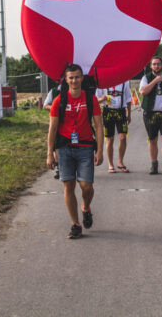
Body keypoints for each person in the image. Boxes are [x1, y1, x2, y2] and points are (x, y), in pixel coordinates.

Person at [47, 64, 104, 239]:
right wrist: (50, 153)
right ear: (66, 79)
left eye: (77, 77)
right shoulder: (59, 100)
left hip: (85, 147)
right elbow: (53, 127)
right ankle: (75, 224)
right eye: (71, 77)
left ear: (82, 78)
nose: (74, 81)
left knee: (87, 186)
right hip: (64, 149)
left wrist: (100, 151)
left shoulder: (90, 99)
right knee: (68, 187)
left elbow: (99, 126)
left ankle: (86, 207)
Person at [96, 81, 132, 173]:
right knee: (110, 139)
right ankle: (110, 164)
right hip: (108, 112)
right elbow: (96, 99)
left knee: (123, 137)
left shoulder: (125, 82)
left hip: (121, 112)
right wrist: (102, 99)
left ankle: (120, 162)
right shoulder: (103, 82)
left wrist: (129, 114)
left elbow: (128, 99)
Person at [44, 84, 61, 179]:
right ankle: (59, 168)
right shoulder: (54, 91)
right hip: (57, 121)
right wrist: (54, 108)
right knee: (56, 144)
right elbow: (45, 105)